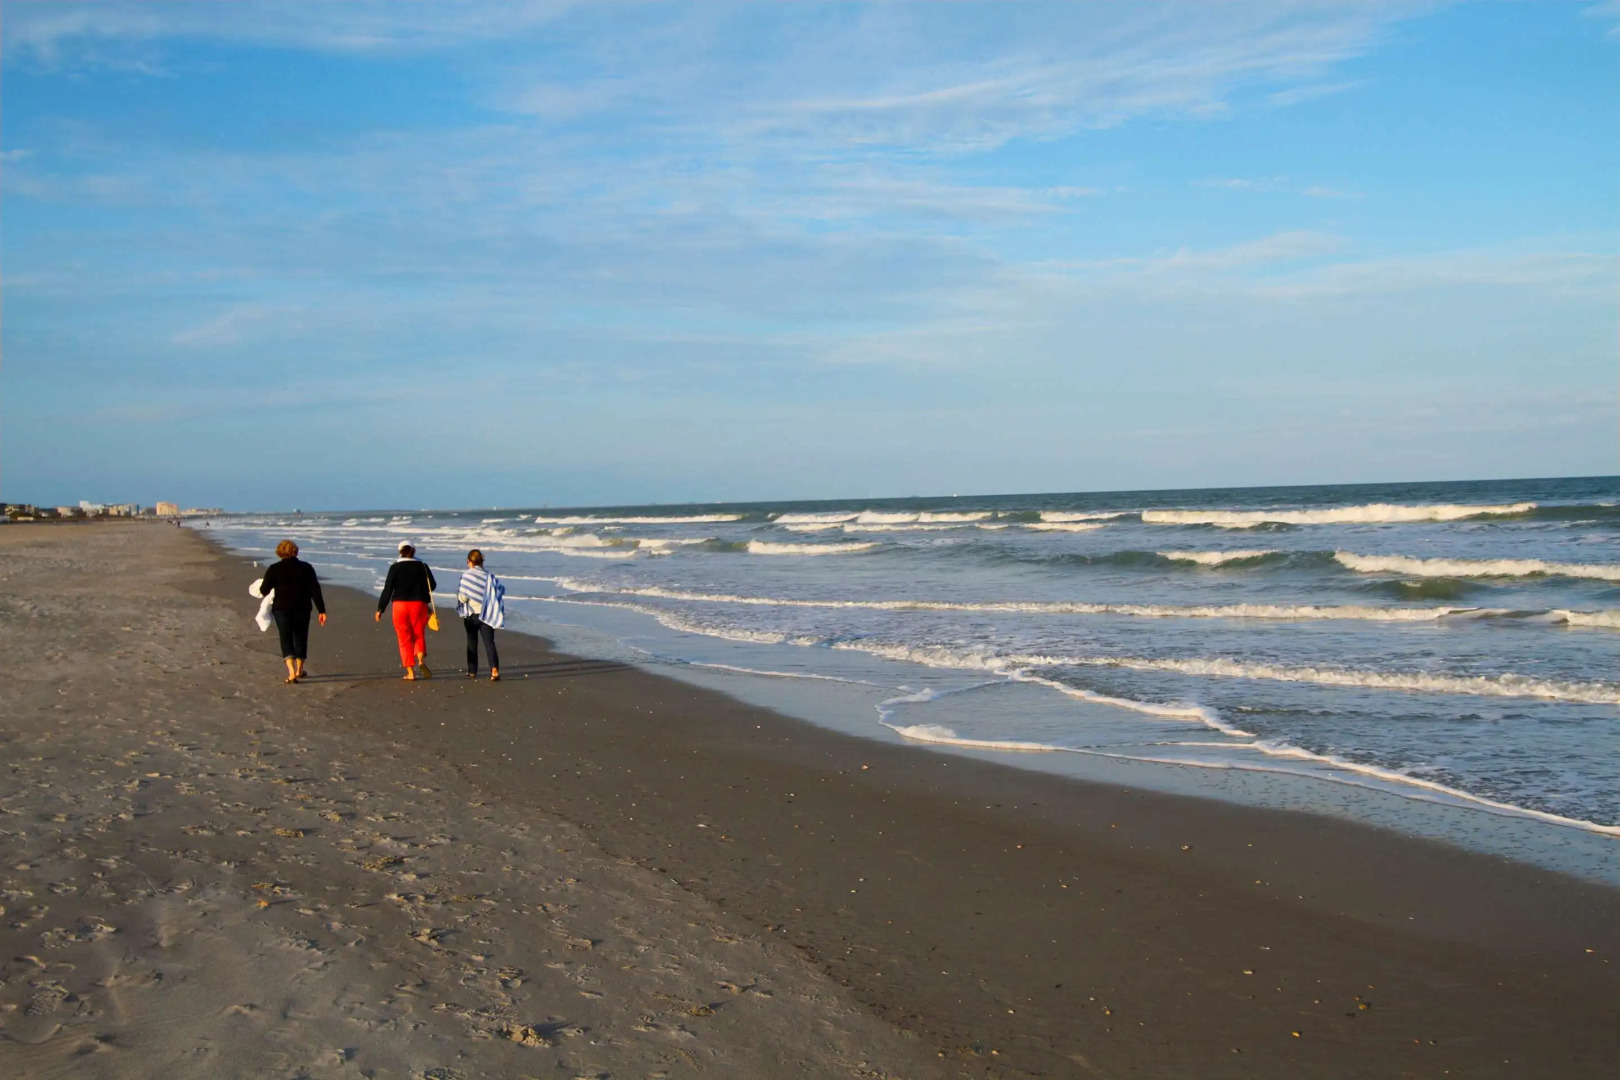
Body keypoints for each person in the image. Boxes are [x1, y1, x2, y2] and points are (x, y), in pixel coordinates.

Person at [257, 539, 326, 683]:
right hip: (303, 608)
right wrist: (322, 610)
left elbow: (264, 590)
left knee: (286, 638)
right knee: (301, 637)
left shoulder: (274, 568)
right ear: (295, 551)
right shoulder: (306, 568)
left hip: (282, 608)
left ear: (280, 552)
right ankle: (300, 670)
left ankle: (291, 672)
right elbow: (315, 590)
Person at [376, 541, 437, 680]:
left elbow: (388, 589)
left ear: (400, 551)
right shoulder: (422, 566)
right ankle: (421, 660)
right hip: (418, 604)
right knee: (418, 634)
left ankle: (410, 672)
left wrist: (380, 609)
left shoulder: (395, 567)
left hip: (400, 605)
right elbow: (432, 586)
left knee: (404, 638)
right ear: (413, 551)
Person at [455, 549, 506, 681]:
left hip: (471, 614)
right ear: (481, 562)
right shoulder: (490, 577)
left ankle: (472, 671)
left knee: (472, 642)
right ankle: (494, 670)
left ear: (469, 562)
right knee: (489, 643)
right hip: (488, 614)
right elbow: (499, 591)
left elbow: (463, 598)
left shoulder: (466, 576)